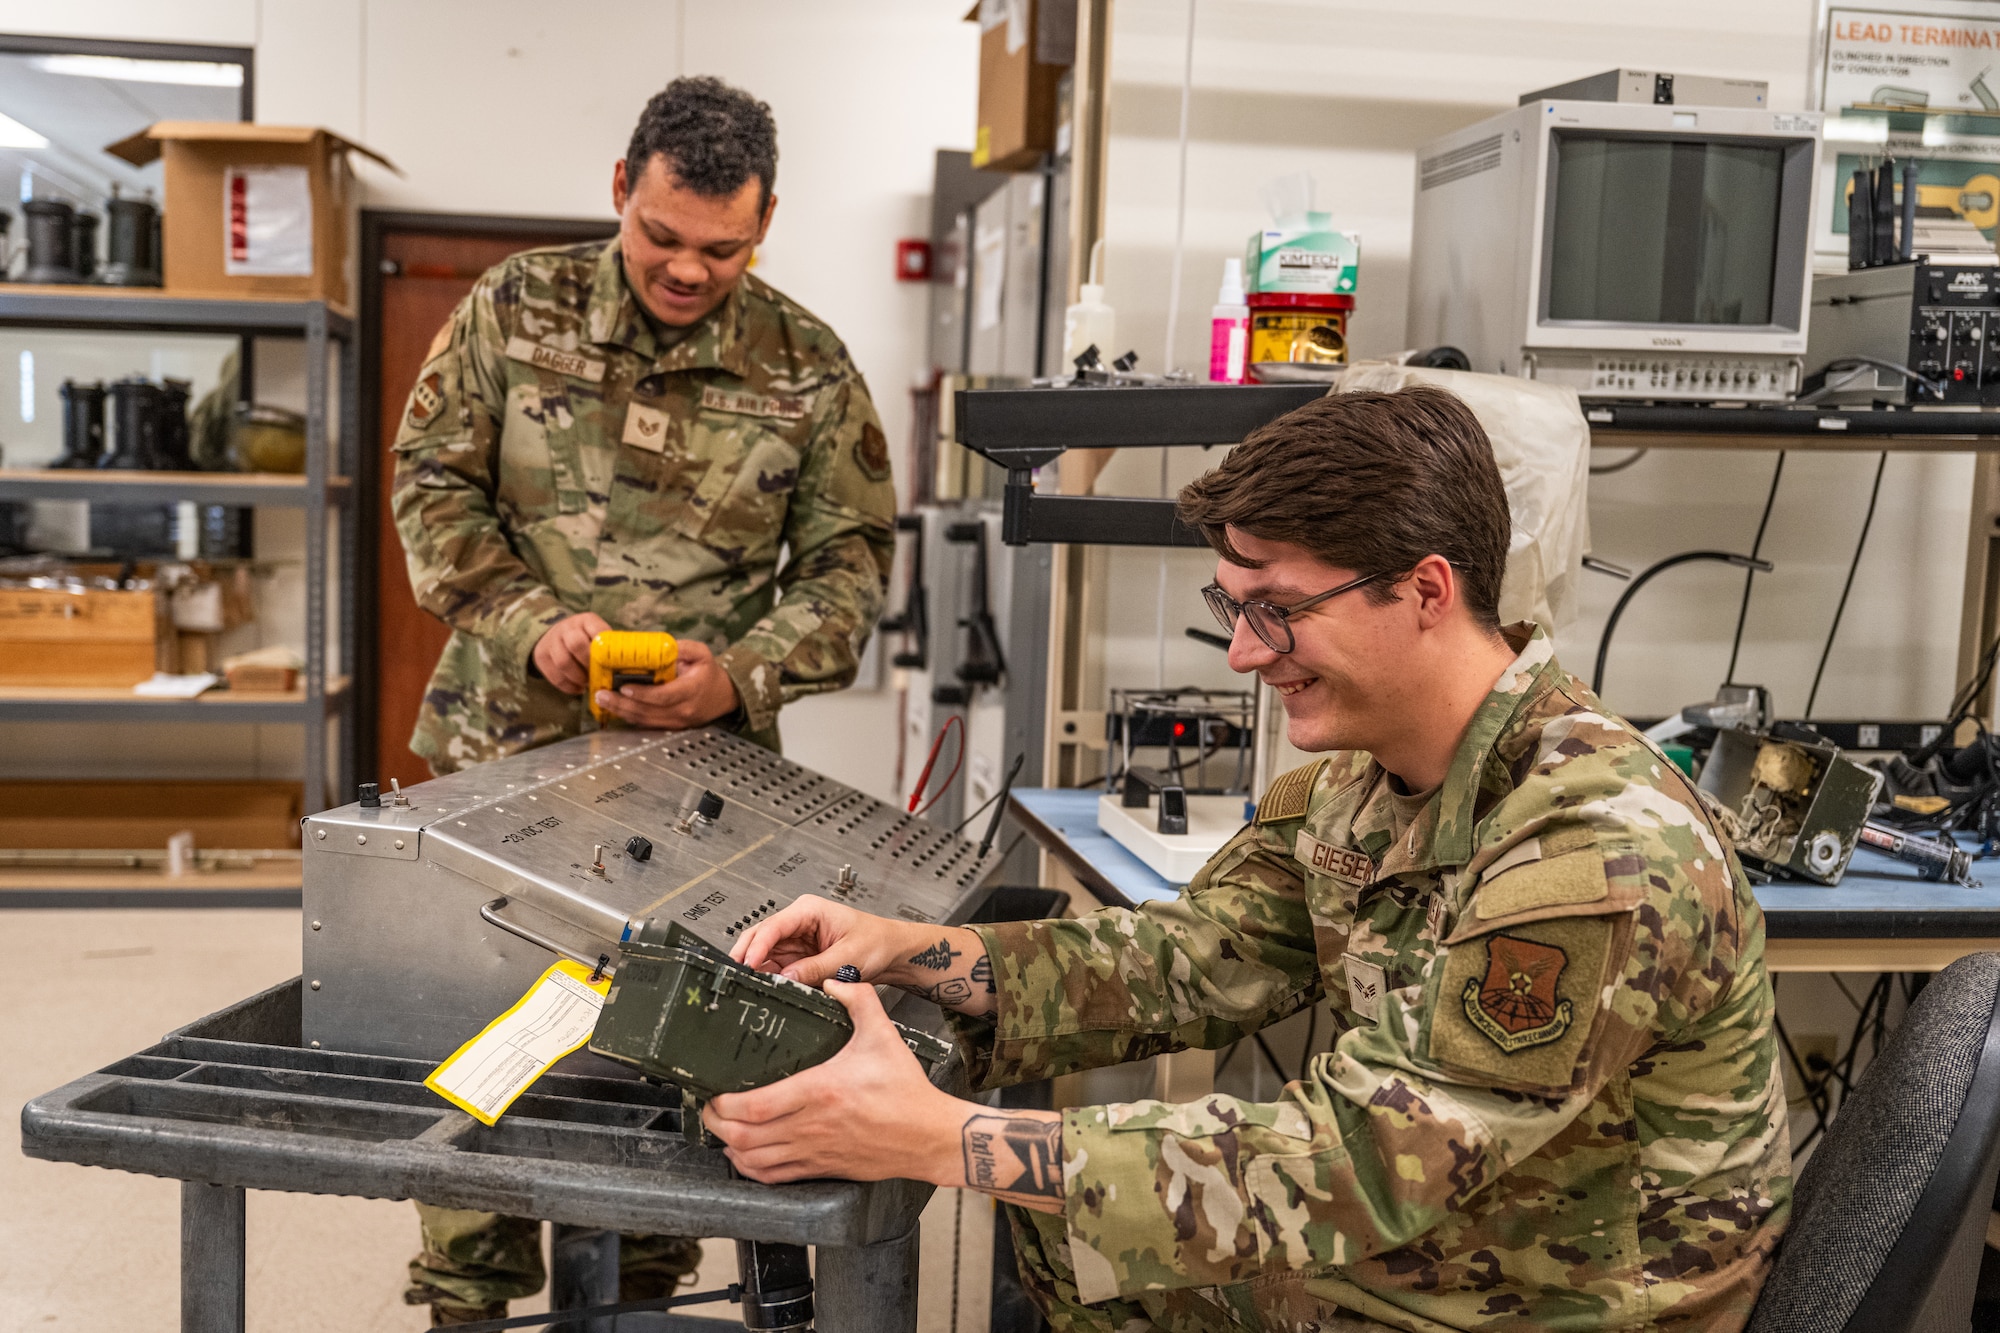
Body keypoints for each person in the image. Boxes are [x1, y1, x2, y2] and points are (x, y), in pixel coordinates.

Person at [709, 386, 1792, 1332]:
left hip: (1560, 1297)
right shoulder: (1363, 780)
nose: (1240, 652)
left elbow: (1360, 1161)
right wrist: (915, 952)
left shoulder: (1593, 851)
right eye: (1232, 608)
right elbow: (1187, 954)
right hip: (1462, 1240)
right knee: (1080, 1240)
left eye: (1276, 611)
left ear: (1422, 591)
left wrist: (947, 1135)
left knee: (1084, 1219)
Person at [390, 76, 895, 1325]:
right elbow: (429, 491)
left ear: (766, 221)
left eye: (721, 249)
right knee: (471, 1022)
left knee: (667, 1055)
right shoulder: (514, 307)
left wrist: (745, 672)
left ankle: (638, 1299)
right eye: (661, 237)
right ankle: (468, 1297)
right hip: (498, 751)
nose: (685, 269)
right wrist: (528, 622)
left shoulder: (808, 365)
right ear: (621, 189)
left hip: (700, 786)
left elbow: (848, 568)